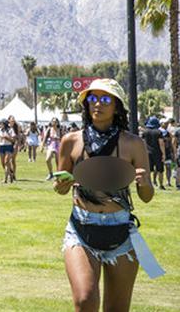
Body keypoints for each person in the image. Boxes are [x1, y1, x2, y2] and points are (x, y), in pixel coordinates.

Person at [53, 79, 156, 312]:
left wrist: (146, 183)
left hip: (120, 231)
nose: (98, 104)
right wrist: (61, 185)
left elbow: (146, 196)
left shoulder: (133, 144)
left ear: (117, 106)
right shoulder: (71, 142)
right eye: (93, 98)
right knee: (85, 300)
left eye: (105, 99)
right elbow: (62, 187)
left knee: (117, 309)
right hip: (81, 228)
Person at [141, 116, 166, 190]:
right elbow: (161, 143)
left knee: (148, 170)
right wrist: (163, 154)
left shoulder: (145, 132)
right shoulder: (158, 132)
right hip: (157, 153)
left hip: (147, 153)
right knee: (160, 170)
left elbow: (143, 143)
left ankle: (149, 184)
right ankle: (161, 185)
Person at [0, 117, 19, 184]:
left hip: (8, 146)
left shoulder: (10, 130)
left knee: (7, 161)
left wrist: (7, 138)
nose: (1, 125)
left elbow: (13, 139)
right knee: (3, 163)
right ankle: (11, 175)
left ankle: (6, 179)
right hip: (1, 146)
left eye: (2, 123)